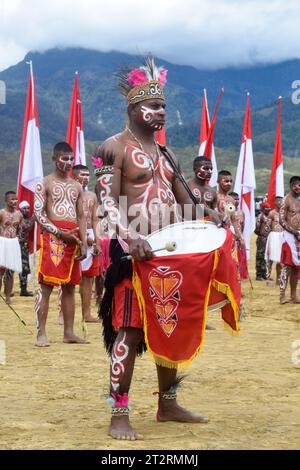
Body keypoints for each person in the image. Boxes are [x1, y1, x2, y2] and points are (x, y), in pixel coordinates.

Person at [95, 57, 223, 440]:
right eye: (153, 106)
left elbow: (184, 199)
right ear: (133, 108)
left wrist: (209, 214)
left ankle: (167, 403)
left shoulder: (167, 154)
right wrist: (129, 236)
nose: (161, 112)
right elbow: (106, 202)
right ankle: (118, 412)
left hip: (169, 254)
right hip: (131, 253)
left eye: (164, 106)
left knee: (170, 329)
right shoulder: (111, 148)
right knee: (130, 332)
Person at [34, 142, 88, 347]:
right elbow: (39, 214)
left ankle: (69, 332)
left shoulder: (77, 186)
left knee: (70, 287)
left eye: (71, 159)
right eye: (64, 158)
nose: (68, 162)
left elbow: (81, 216)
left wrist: (83, 242)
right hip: (53, 237)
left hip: (73, 238)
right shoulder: (44, 183)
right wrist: (59, 232)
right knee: (46, 286)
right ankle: (41, 333)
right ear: (54, 159)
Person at [72, 164, 100, 323]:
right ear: (75, 176)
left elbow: (95, 219)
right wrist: (82, 239)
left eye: (88, 174)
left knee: (89, 278)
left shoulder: (92, 196)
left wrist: (97, 240)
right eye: (82, 174)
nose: (86, 177)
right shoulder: (69, 194)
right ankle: (62, 313)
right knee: (70, 277)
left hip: (90, 233)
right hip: (74, 234)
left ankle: (86, 314)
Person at [279, 176, 300, 304]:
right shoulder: (286, 200)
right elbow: (281, 220)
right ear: (291, 185)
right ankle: (282, 295)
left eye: (299, 185)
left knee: (296, 268)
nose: (298, 187)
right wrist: (294, 232)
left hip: (299, 237)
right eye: (295, 185)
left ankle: (293, 295)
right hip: (289, 236)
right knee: (286, 266)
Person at [0, 191, 23, 303]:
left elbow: (20, 229)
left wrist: (17, 240)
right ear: (6, 201)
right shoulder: (1, 213)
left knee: (10, 272)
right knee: (0, 272)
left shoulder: (19, 214)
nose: (14, 201)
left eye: (16, 199)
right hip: (2, 243)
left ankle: (8, 297)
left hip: (13, 243)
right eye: (12, 199)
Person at [228, 192, 249, 280]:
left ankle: (239, 276)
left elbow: (242, 226)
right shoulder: (228, 210)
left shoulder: (241, 213)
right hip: (230, 239)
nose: (236, 201)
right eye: (234, 199)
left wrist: (240, 237)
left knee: (239, 260)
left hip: (238, 239)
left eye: (237, 199)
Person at [265, 196, 284, 285]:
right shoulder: (271, 213)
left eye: (281, 201)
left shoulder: (284, 213)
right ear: (275, 202)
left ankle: (279, 279)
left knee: (281, 259)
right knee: (270, 259)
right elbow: (267, 227)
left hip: (282, 237)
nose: (280, 202)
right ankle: (268, 278)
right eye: (278, 201)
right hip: (273, 236)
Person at [18, 201, 35, 296]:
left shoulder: (29, 219)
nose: (26, 210)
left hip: (24, 246)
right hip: (14, 244)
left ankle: (23, 290)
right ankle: (7, 290)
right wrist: (34, 218)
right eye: (24, 208)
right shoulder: (17, 218)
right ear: (20, 209)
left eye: (28, 208)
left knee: (24, 268)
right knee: (9, 268)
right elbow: (26, 227)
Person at [254, 202, 272, 280]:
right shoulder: (260, 216)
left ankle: (264, 274)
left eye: (269, 207)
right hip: (261, 239)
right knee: (260, 256)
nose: (268, 209)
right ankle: (259, 275)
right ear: (262, 209)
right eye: (266, 207)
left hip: (268, 239)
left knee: (266, 257)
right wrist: (261, 235)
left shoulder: (270, 217)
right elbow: (257, 229)